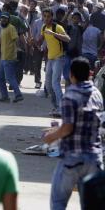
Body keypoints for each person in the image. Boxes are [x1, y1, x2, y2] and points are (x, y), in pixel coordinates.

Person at [43, 57, 104, 210]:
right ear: (90, 74)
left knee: (58, 201)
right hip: (94, 159)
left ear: (71, 75)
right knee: (91, 204)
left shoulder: (70, 95)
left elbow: (68, 128)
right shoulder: (97, 94)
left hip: (72, 158)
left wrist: (50, 137)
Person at [38, 9, 70, 116]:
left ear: (52, 17)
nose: (46, 18)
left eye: (48, 16)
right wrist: (33, 42)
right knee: (48, 84)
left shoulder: (57, 27)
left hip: (59, 58)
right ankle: (56, 107)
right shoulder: (43, 27)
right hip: (50, 58)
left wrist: (54, 34)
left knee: (55, 82)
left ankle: (62, 108)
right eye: (45, 16)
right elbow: (40, 40)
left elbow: (67, 39)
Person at [0, 12, 24, 103]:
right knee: (0, 78)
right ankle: (5, 96)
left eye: (5, 18)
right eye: (2, 18)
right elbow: (1, 42)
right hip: (3, 57)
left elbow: (16, 39)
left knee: (10, 78)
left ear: (8, 19)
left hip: (9, 57)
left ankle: (18, 95)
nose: (3, 20)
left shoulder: (11, 28)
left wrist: (18, 49)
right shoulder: (2, 28)